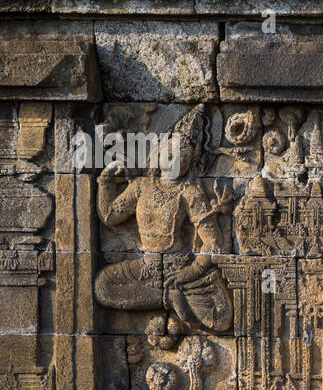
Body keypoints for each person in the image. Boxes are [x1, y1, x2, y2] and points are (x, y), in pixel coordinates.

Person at [94, 105, 232, 334]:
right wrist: (105, 182)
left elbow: (214, 242)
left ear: (191, 162)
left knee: (220, 319)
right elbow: (110, 216)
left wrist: (191, 272)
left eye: (183, 155)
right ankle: (168, 297)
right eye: (170, 151)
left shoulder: (190, 191)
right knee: (103, 287)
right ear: (156, 152)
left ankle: (172, 291)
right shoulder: (141, 187)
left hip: (178, 267)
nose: (175, 158)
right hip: (145, 267)